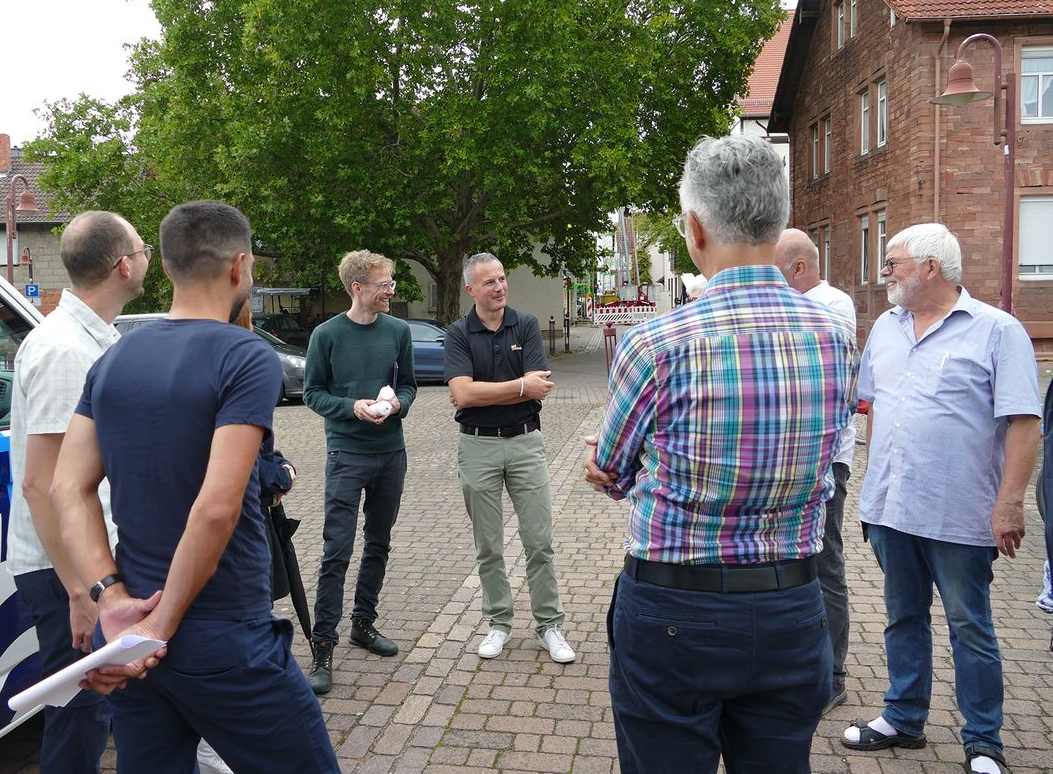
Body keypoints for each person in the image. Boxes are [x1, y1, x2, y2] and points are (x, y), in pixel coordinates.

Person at [585, 134, 858, 773]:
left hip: (676, 607)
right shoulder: (836, 340)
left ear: (695, 229)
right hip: (792, 600)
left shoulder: (656, 343)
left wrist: (610, 462)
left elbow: (616, 472)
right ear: (779, 221)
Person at [52, 200, 338, 773]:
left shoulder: (114, 357)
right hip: (222, 633)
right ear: (239, 267)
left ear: (165, 264)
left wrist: (113, 600)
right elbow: (216, 507)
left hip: (135, 633)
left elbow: (68, 488)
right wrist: (162, 623)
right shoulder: (246, 356)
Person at [842, 223, 1040, 774]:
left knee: (969, 626)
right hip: (891, 508)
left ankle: (983, 741)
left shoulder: (997, 331)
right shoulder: (884, 327)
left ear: (932, 268)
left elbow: (1025, 422)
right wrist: (871, 491)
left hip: (960, 511)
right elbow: (875, 407)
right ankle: (904, 718)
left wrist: (1010, 503)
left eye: (894, 261)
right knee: (902, 617)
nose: (885, 272)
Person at [5, 210, 149, 774]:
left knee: (94, 709)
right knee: (80, 712)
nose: (145, 258)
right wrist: (81, 590)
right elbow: (42, 482)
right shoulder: (65, 351)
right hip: (68, 569)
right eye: (140, 249)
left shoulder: (92, 338)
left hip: (89, 561)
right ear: (122, 265)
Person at [445, 252, 575, 664]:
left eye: (502, 279)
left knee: (539, 541)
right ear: (471, 289)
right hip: (477, 445)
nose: (500, 287)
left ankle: (549, 625)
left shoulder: (527, 325)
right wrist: (520, 384)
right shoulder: (458, 333)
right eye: (489, 282)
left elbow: (540, 388)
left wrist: (491, 390)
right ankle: (498, 623)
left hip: (524, 442)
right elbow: (463, 395)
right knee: (489, 546)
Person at [302, 250, 416, 694]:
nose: (391, 291)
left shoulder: (399, 331)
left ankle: (363, 624)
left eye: (391, 284)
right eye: (384, 285)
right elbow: (312, 394)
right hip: (346, 455)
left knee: (379, 543)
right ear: (358, 288)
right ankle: (322, 646)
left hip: (391, 454)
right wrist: (352, 407)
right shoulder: (326, 336)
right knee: (336, 551)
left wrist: (396, 404)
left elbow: (407, 384)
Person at [776, 227, 857, 713]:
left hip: (824, 460)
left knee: (824, 561)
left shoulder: (830, 306)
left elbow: (836, 397)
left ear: (799, 268)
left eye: (776, 271)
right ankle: (803, 665)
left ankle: (833, 674)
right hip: (797, 457)